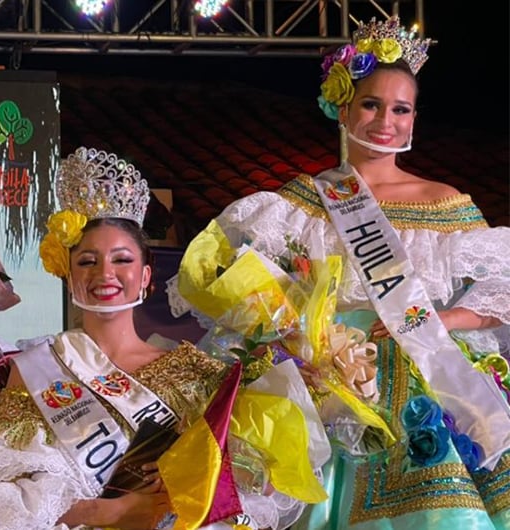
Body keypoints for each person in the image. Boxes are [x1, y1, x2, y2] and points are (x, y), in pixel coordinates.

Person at [171, 17, 510, 530]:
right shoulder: (296, 206)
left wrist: (442, 320)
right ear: (343, 106)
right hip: (324, 390)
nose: (386, 121)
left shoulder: (444, 203)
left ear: (415, 118)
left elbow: (501, 290)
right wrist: (298, 339)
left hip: (422, 393)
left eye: (401, 109)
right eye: (372, 104)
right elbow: (244, 298)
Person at [0, 147, 323, 530]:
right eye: (87, 261)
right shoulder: (38, 369)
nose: (104, 273)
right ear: (68, 274)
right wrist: (113, 511)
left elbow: (250, 484)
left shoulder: (201, 371)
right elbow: (19, 493)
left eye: (122, 260)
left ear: (146, 276)